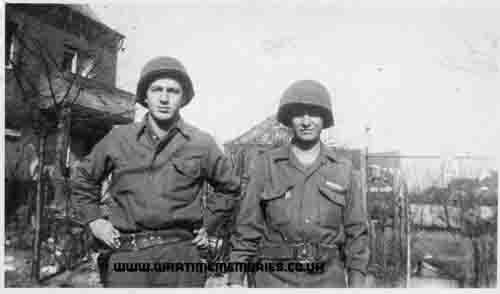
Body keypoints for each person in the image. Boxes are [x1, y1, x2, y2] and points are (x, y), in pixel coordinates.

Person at [71, 56, 240, 287]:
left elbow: (229, 187)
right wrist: (95, 220)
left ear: (183, 98)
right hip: (128, 257)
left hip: (181, 258)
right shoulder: (119, 139)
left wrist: (209, 223)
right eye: (156, 89)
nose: (164, 98)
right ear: (145, 96)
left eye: (173, 91)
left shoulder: (201, 143)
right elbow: (83, 178)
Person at [228, 80, 369, 287]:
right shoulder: (265, 166)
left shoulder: (343, 169)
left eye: (313, 113)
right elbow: (246, 230)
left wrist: (357, 285)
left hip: (327, 280)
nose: (306, 121)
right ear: (288, 119)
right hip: (273, 280)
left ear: (324, 119)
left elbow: (357, 235)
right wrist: (235, 281)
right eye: (298, 114)